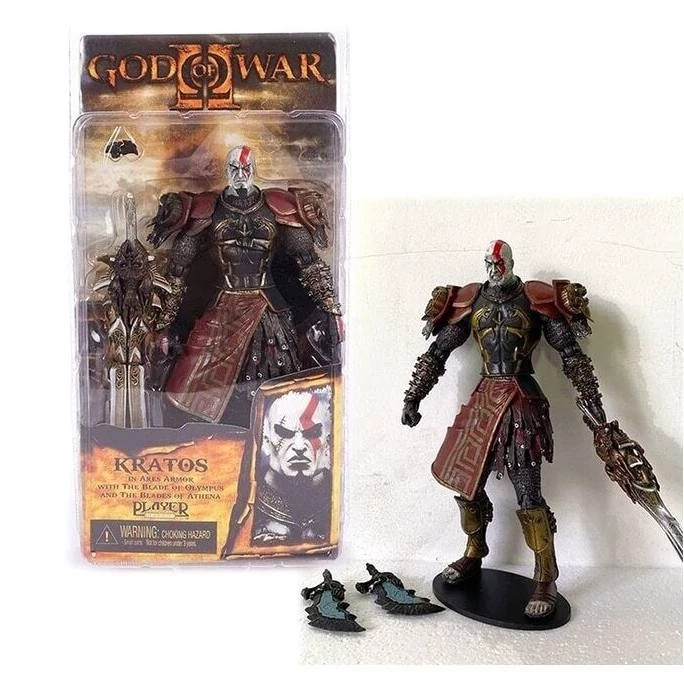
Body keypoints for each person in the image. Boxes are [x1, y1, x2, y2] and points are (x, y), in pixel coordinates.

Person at [402, 239, 605, 619]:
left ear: (511, 262)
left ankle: (545, 575)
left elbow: (571, 355)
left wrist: (592, 402)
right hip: (483, 398)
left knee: (528, 492)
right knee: (466, 484)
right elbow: (437, 352)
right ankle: (474, 552)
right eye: (489, 263)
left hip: (521, 399)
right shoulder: (469, 300)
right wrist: (413, 397)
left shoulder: (535, 299)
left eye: (500, 263)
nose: (494, 269)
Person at [147, 145, 341, 427]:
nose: (240, 174)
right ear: (226, 171)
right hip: (224, 304)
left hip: (268, 307)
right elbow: (177, 269)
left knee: (275, 380)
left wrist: (333, 311)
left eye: (246, 168)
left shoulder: (279, 207)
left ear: (254, 169)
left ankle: (273, 427)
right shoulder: (207, 209)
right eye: (234, 168)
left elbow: (309, 263)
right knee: (189, 382)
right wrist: (163, 325)